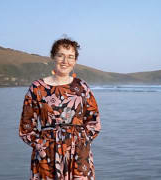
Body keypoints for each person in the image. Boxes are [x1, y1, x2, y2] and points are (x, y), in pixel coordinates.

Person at [19, 38, 101, 180]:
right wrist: (41, 145)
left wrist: (82, 142)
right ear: (53, 57)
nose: (65, 61)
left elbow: (94, 120)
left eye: (70, 57)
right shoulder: (37, 88)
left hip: (79, 154)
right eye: (61, 55)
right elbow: (26, 127)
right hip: (47, 155)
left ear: (75, 61)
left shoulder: (82, 87)